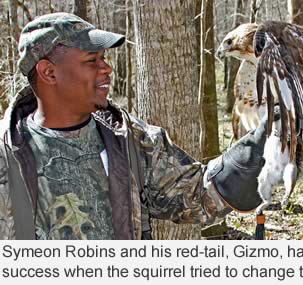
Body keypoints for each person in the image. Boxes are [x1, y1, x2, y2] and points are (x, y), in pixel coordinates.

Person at [0, 13, 272, 240]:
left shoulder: (130, 140)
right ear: (49, 72)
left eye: (104, 58)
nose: (107, 69)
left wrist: (266, 139)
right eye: (92, 60)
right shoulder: (6, 156)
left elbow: (200, 193)